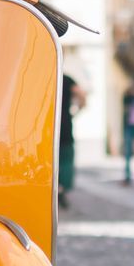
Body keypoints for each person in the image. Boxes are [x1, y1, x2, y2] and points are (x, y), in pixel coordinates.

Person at [58, 72, 80, 208]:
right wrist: (77, 111)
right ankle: (62, 189)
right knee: (66, 160)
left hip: (47, 125)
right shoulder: (66, 79)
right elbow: (81, 94)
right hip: (65, 123)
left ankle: (55, 190)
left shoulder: (45, 75)